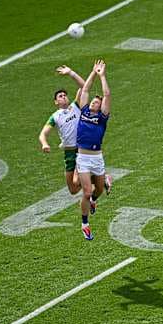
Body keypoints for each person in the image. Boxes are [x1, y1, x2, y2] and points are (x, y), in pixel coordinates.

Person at [76, 59, 113, 240]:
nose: (93, 103)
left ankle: (93, 202)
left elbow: (107, 94)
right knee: (87, 191)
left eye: (96, 103)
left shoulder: (102, 118)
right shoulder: (83, 111)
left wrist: (102, 76)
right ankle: (85, 224)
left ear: (100, 108)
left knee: (98, 190)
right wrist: (92, 73)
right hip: (82, 158)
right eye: (92, 102)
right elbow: (85, 90)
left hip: (97, 158)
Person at [38, 65, 88, 196]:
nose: (64, 96)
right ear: (56, 102)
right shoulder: (55, 117)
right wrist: (44, 143)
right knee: (73, 189)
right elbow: (43, 134)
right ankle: (95, 180)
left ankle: (99, 178)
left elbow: (85, 87)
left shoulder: (75, 106)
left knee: (77, 180)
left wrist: (71, 73)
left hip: (81, 148)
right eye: (60, 96)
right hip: (68, 153)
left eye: (65, 95)